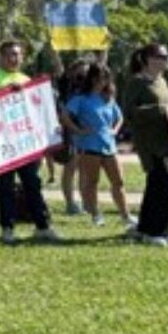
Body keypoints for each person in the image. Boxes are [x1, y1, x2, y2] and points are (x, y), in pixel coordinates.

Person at [0, 41, 61, 245]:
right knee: (6, 185)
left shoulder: (26, 79)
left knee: (32, 182)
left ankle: (42, 226)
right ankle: (7, 227)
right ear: (1, 57)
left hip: (25, 142)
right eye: (9, 55)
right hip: (3, 142)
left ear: (22, 57)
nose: (13, 59)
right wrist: (6, 90)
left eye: (17, 55)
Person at [61, 63, 135, 229]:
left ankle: (126, 215)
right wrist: (78, 130)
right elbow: (65, 116)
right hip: (89, 147)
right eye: (100, 77)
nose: (103, 81)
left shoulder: (108, 98)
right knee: (92, 182)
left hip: (109, 145)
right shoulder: (80, 98)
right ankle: (95, 214)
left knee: (119, 181)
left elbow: (120, 117)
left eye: (106, 78)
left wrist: (115, 130)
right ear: (92, 78)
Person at [122, 43, 168, 246]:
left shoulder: (162, 82)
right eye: (160, 56)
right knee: (165, 181)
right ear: (147, 59)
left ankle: (145, 227)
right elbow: (128, 112)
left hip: (165, 140)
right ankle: (157, 231)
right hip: (148, 142)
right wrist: (158, 109)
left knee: (156, 184)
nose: (164, 60)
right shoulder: (136, 82)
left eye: (166, 57)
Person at [55, 59, 89, 215]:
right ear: (72, 72)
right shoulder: (66, 85)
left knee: (85, 169)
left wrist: (105, 48)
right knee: (71, 166)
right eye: (80, 71)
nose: (83, 74)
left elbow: (102, 64)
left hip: (87, 131)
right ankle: (70, 203)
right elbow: (58, 65)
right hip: (70, 130)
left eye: (86, 71)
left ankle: (86, 202)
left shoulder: (91, 87)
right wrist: (54, 49)